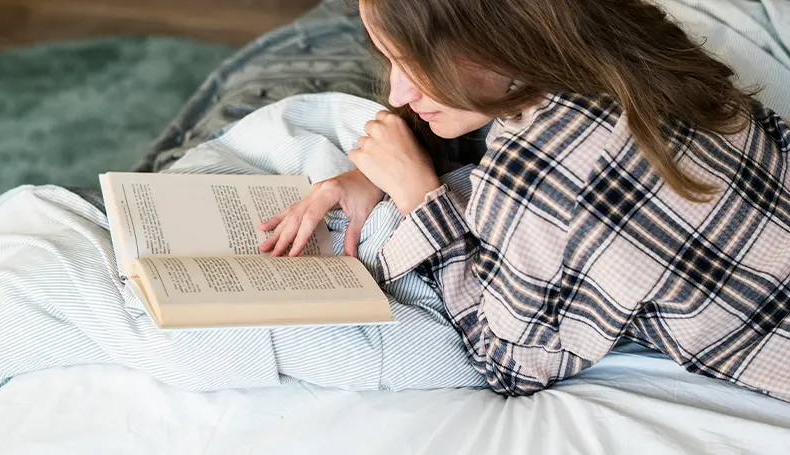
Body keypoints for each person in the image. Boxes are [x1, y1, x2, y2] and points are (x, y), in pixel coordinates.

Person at [259, 0, 790, 399]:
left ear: (496, 35)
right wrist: (381, 166)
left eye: (417, 63)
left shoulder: (535, 170)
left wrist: (419, 195)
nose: (398, 93)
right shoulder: (631, 38)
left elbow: (509, 366)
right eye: (392, 60)